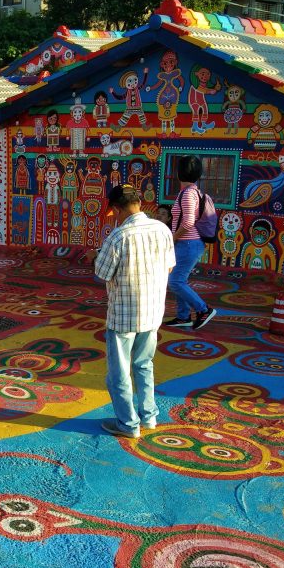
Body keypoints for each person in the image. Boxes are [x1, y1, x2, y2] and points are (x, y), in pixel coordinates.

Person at [94, 184, 175, 439]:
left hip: (123, 316)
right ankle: (148, 417)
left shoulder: (118, 236)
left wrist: (95, 258)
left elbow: (102, 273)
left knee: (119, 374)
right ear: (139, 204)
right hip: (152, 312)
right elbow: (170, 267)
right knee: (144, 365)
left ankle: (128, 424)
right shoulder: (162, 230)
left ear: (117, 209)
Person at [164, 155, 216, 330]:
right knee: (180, 280)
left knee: (175, 281)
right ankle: (183, 316)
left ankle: (203, 309)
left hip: (187, 243)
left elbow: (188, 222)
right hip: (188, 243)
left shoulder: (187, 194)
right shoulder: (193, 192)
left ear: (179, 173)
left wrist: (172, 238)